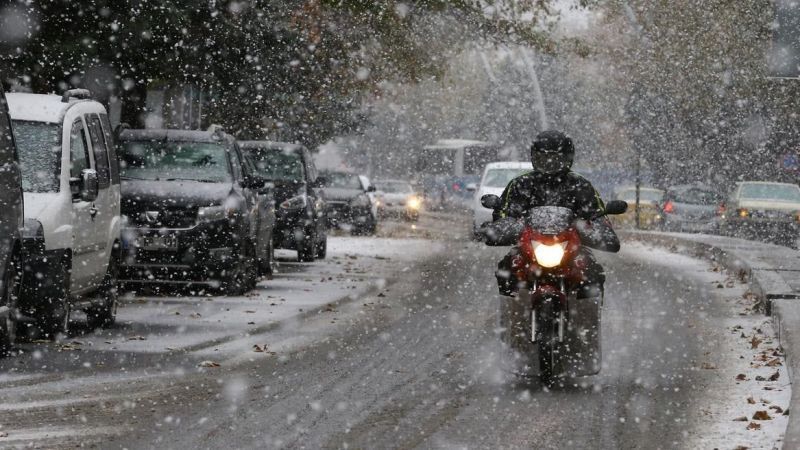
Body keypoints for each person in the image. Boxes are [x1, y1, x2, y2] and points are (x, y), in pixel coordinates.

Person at [488, 130, 620, 297]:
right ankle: (511, 314)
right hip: (529, 247)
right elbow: (505, 213)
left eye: (556, 158)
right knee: (508, 268)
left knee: (591, 270)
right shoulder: (520, 184)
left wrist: (602, 229)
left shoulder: (581, 185)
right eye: (543, 158)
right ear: (534, 157)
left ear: (568, 158)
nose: (550, 163)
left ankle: (587, 319)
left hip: (570, 249)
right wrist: (496, 228)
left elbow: (597, 215)